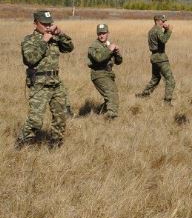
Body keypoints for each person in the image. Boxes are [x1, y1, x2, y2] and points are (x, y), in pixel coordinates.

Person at [17, 10, 74, 148]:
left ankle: (56, 144)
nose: (48, 27)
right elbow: (30, 60)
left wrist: (60, 34)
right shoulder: (29, 40)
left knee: (60, 117)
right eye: (44, 24)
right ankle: (22, 144)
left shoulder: (54, 38)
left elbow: (69, 48)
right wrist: (43, 42)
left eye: (50, 24)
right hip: (40, 84)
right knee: (35, 120)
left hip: (55, 83)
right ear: (35, 23)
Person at [87, 23, 123, 119]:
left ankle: (99, 111)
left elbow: (119, 62)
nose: (101, 35)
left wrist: (117, 53)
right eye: (99, 33)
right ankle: (112, 117)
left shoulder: (108, 45)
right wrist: (109, 50)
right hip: (99, 73)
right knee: (111, 94)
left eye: (103, 33)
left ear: (108, 33)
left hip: (108, 74)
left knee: (111, 96)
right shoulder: (94, 46)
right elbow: (99, 59)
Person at [137, 14, 175, 103]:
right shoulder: (158, 30)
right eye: (163, 21)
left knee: (156, 78)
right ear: (157, 21)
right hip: (161, 58)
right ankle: (167, 101)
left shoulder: (151, 30)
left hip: (154, 57)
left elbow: (160, 40)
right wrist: (169, 30)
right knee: (170, 80)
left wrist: (165, 30)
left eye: (164, 21)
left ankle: (144, 94)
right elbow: (163, 40)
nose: (164, 23)